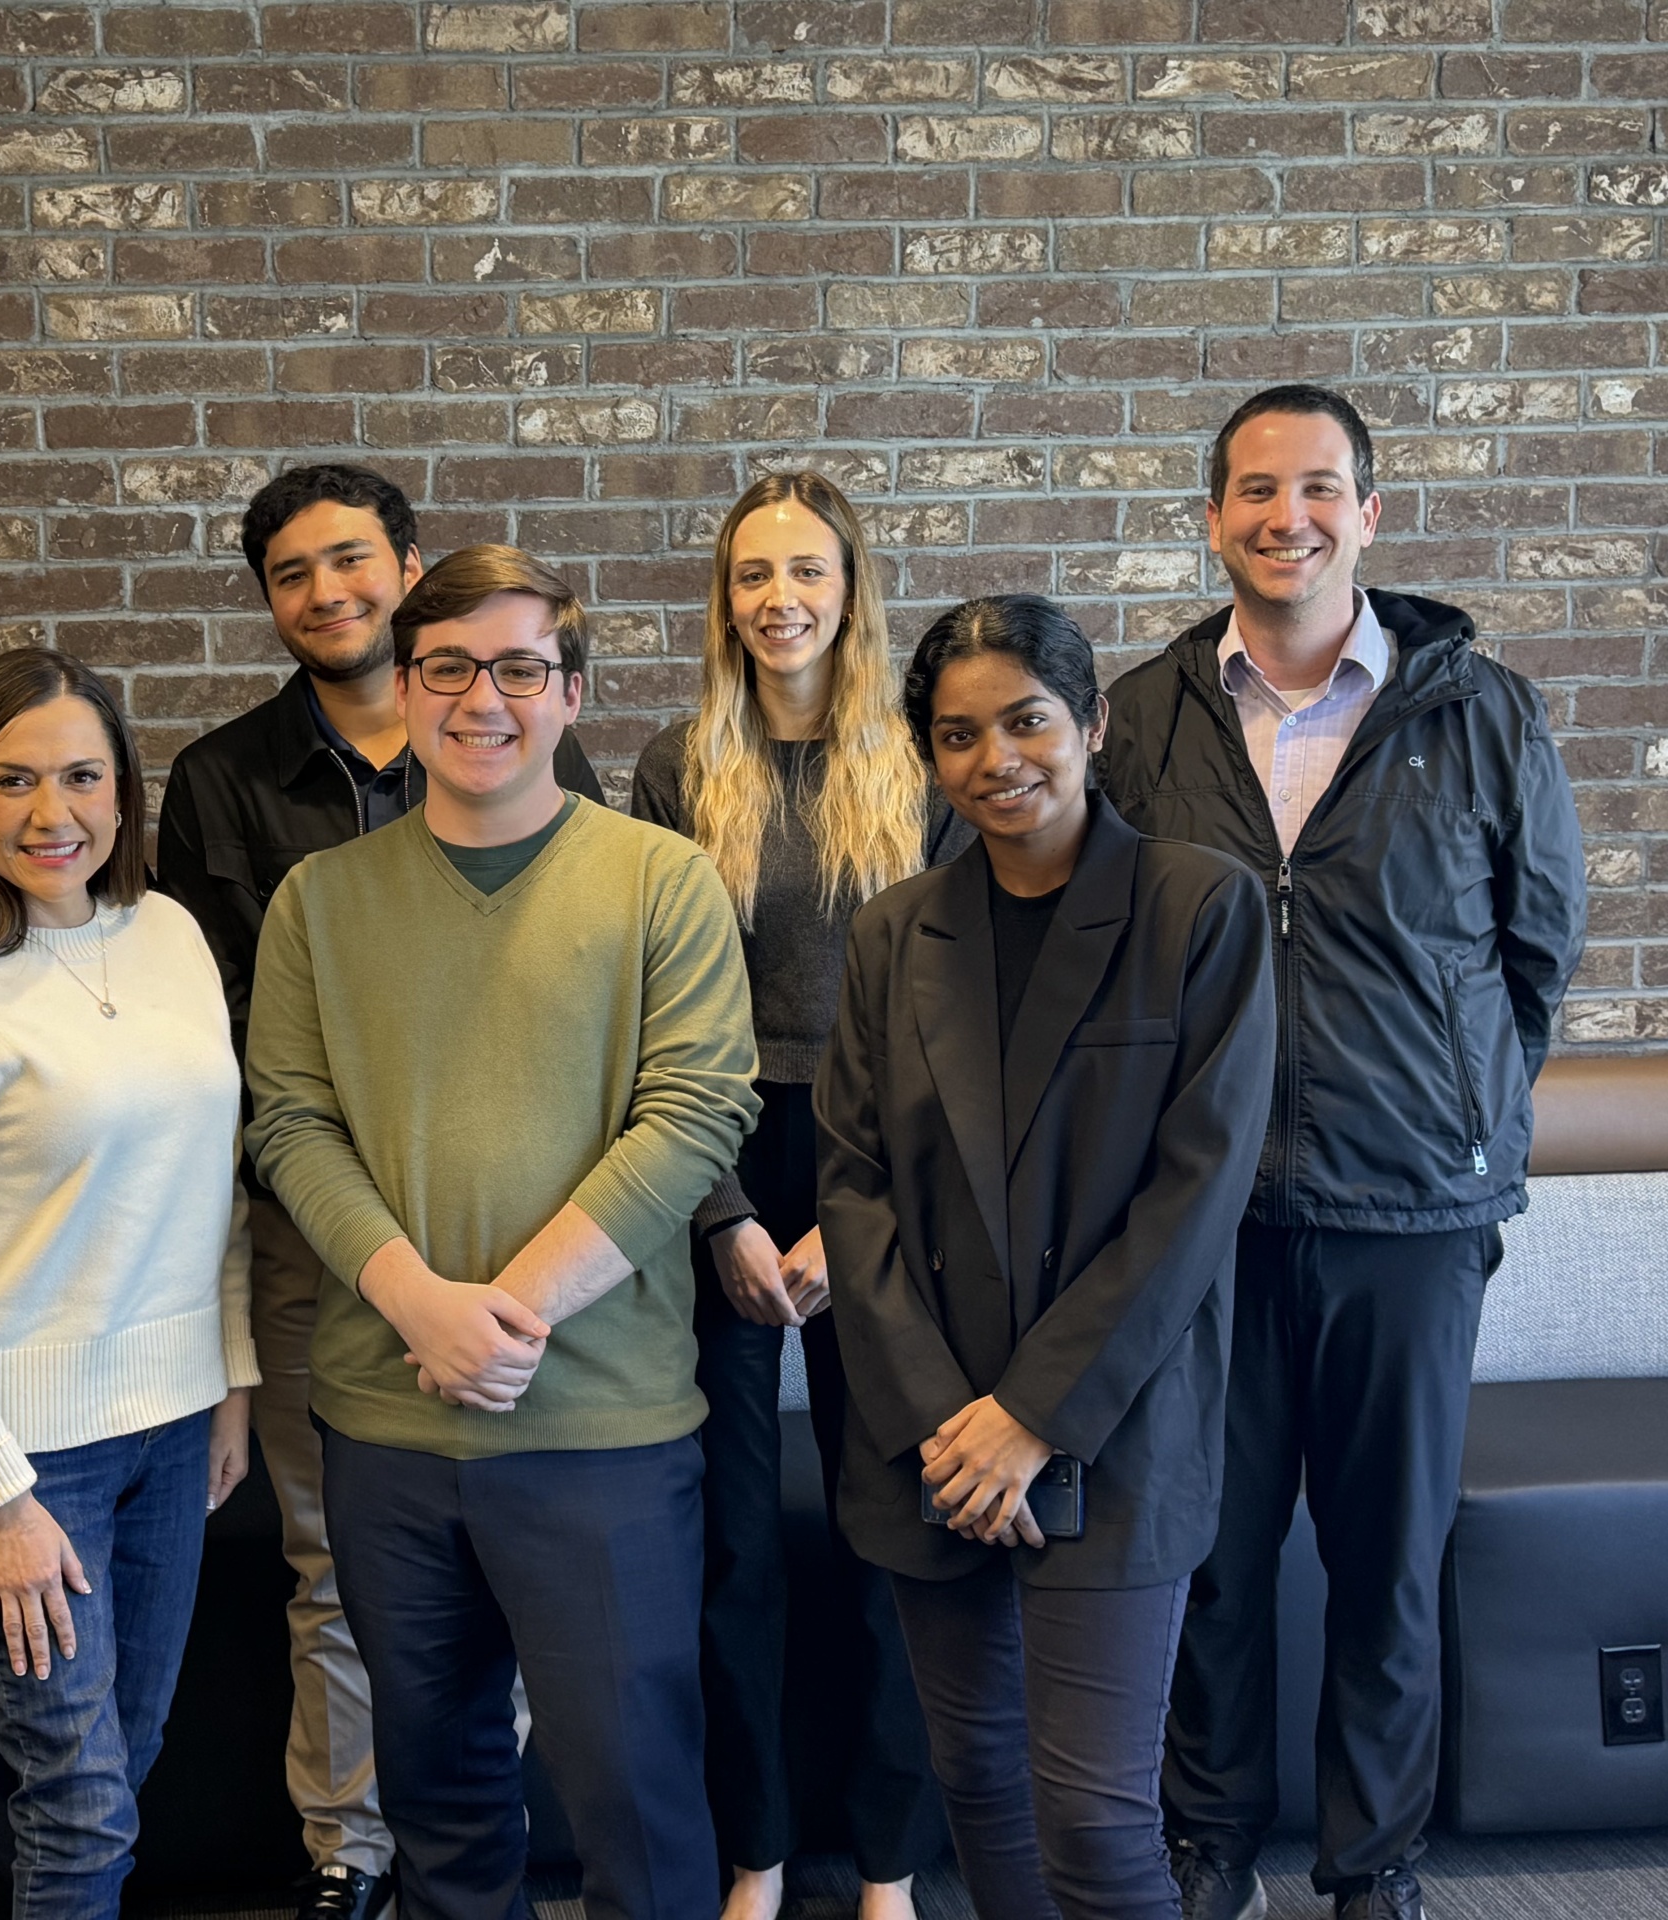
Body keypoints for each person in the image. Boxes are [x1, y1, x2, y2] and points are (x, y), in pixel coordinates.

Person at [1099, 386, 1587, 1920]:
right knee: (1214, 1557)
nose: (1284, 516)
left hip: (1414, 1213)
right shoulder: (1150, 714)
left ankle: (1374, 1865)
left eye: (1319, 488)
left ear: (1369, 515)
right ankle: (1210, 1847)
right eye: (1253, 489)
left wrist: (1463, 1111)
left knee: (1386, 1563)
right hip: (1210, 1213)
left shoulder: (1478, 708)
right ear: (1213, 516)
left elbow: (1538, 948)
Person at [246, 545, 760, 1920]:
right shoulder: (319, 903)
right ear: (404, 692)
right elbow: (291, 1123)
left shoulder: (663, 882)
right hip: (388, 1426)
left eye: (520, 668)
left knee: (635, 1800)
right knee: (440, 1804)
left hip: (600, 1428)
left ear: (573, 690)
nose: (485, 698)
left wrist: (507, 1314)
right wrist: (422, 1306)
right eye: (450, 668)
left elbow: (699, 1115)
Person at [156, 464, 607, 1920]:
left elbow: (580, 998)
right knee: (332, 1567)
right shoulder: (221, 782)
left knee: (516, 1559)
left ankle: (480, 1844)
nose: (327, 593)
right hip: (319, 1243)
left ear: (409, 568)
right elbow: (231, 1036)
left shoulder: (516, 733)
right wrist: (380, 1245)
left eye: (351, 561)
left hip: (522, 1247)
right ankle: (348, 1853)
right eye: (292, 574)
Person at [816, 594, 1276, 1920]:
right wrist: (949, 1426)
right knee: (981, 1796)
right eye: (957, 735)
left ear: (1093, 722)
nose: (995, 759)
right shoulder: (895, 931)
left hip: (1114, 1426)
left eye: (1026, 720)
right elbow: (852, 1185)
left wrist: (1033, 1417)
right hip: (934, 1440)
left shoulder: (1201, 907)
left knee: (1093, 1822)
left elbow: (1196, 1197)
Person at [0, 647, 259, 1920]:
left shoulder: (170, 935)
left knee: (125, 1769)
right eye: (11, 780)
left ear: (124, 794)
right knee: (75, 1805)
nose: (49, 812)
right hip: (20, 1459)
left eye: (80, 776)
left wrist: (228, 1384)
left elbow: (216, 1189)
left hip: (173, 1429)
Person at [629, 473, 952, 1920]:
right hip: (717, 1154)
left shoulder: (924, 763)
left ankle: (886, 1862)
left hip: (882, 1158)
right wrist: (720, 1216)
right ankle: (754, 1852)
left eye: (806, 570)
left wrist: (854, 1219)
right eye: (753, 573)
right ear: (725, 596)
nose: (780, 599)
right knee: (734, 1534)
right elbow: (653, 1016)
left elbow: (956, 1020)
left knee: (893, 1516)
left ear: (850, 583)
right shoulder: (673, 763)